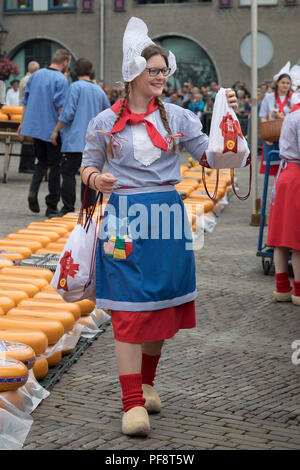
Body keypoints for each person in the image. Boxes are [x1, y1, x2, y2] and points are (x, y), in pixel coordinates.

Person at [80, 17, 237, 437]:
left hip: (166, 221)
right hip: (125, 220)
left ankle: (147, 383)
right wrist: (98, 180)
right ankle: (131, 403)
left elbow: (212, 157)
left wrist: (227, 128)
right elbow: (86, 166)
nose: (161, 77)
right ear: (133, 73)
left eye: (164, 71)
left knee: (160, 308)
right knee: (130, 311)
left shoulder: (180, 118)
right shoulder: (102, 122)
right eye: (154, 71)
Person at [50, 58, 111, 214]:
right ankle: (88, 208)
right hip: (94, 143)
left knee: (68, 173)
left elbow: (68, 113)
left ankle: (68, 207)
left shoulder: (75, 87)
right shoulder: (99, 90)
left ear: (76, 71)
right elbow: (109, 115)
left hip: (74, 141)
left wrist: (56, 130)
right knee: (90, 177)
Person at [18, 49, 71, 218]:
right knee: (55, 166)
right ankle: (52, 205)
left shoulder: (36, 75)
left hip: (35, 127)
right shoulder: (61, 79)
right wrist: (63, 128)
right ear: (65, 62)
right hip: (52, 129)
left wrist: (22, 123)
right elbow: (61, 107)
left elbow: (25, 101)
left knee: (40, 162)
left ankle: (33, 192)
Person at [267, 92, 300, 304]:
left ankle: (282, 287)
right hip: (296, 176)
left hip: (285, 174)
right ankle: (298, 290)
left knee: (281, 236)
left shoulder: (291, 114)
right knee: (297, 239)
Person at [259, 62, 293, 177]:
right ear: (277, 83)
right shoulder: (269, 98)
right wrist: (267, 128)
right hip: (272, 137)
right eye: (283, 82)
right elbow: (263, 115)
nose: (285, 85)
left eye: (288, 83)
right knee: (273, 169)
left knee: (287, 168)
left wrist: (284, 118)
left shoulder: (293, 98)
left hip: (288, 137)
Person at [18, 60, 40, 174]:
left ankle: (27, 165)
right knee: (28, 141)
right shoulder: (29, 80)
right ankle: (26, 165)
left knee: (29, 141)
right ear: (35, 70)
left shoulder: (24, 79)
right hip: (27, 112)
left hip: (23, 110)